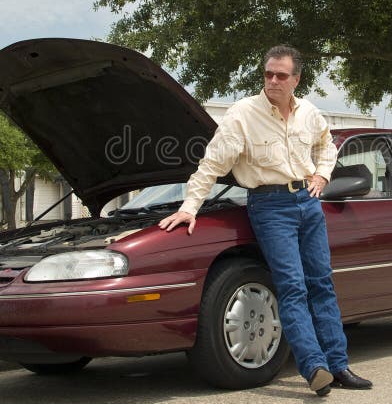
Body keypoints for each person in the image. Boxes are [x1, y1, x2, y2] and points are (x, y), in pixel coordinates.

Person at [158, 44, 373, 396]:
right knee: (292, 286)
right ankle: (315, 367)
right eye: (268, 74)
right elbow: (212, 163)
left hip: (308, 202)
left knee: (321, 283)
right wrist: (190, 206)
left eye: (281, 75)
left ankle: (339, 365)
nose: (273, 80)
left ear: (296, 79)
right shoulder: (243, 113)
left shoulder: (308, 112)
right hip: (270, 206)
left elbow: (326, 145)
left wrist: (322, 175)